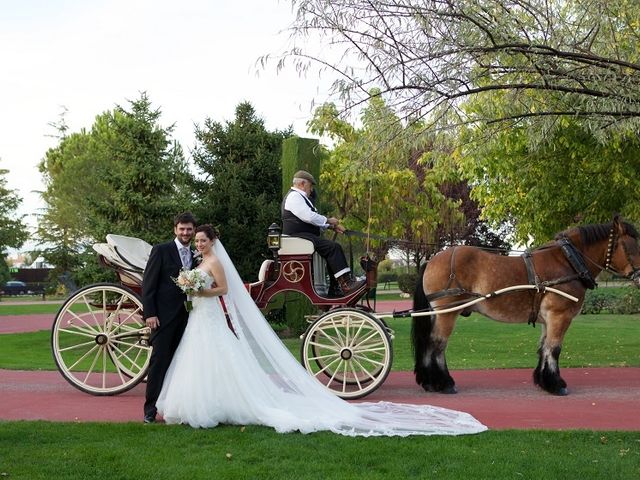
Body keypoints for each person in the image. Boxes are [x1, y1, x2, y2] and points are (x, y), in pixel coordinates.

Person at [155, 224, 487, 436]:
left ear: (211, 241)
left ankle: (215, 404)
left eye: (201, 239)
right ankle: (344, 279)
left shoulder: (209, 262)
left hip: (206, 311)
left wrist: (197, 290)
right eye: (195, 239)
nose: (197, 243)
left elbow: (220, 288)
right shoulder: (204, 260)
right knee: (328, 247)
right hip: (203, 315)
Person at [141, 212, 197, 424]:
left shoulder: (196, 254)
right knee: (159, 362)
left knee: (181, 363)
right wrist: (150, 313)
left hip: (189, 317)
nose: (185, 232)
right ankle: (150, 409)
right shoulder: (161, 250)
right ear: (175, 229)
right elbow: (149, 284)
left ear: (193, 230)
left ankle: (176, 407)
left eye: (189, 229)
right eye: (182, 229)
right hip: (162, 318)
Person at [282, 170, 365, 295]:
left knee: (331, 249)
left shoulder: (298, 197)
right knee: (333, 248)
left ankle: (336, 287)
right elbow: (309, 216)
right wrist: (329, 220)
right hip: (298, 236)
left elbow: (310, 220)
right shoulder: (294, 196)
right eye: (310, 186)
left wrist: (331, 227)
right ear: (303, 184)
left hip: (303, 236)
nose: (311, 190)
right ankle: (346, 284)